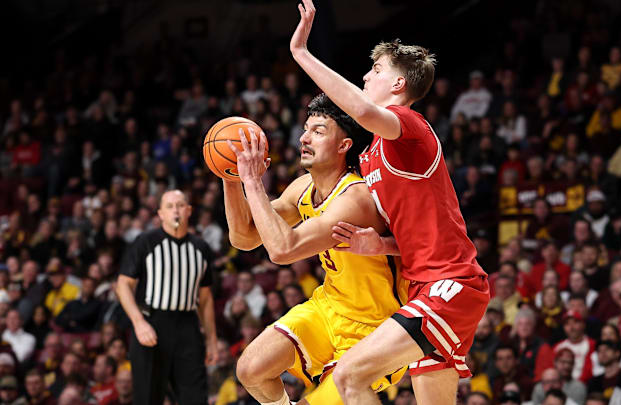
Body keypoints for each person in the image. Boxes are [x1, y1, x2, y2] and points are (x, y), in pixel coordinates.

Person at [288, 2, 489, 404]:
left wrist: (302, 54)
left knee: (349, 378)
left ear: (398, 84)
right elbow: (413, 232)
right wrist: (381, 245)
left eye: (376, 70)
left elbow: (362, 110)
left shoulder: (410, 129)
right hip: (425, 286)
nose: (365, 75)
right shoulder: (372, 154)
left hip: (448, 284)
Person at [225, 94, 406, 405]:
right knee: (250, 369)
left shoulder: (356, 199)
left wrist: (254, 183)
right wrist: (230, 175)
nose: (304, 138)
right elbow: (244, 237)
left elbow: (283, 249)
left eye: (319, 131)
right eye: (306, 129)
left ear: (343, 145)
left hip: (375, 329)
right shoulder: (302, 187)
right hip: (328, 306)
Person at [116, 189, 218, 405]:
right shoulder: (145, 242)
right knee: (147, 397)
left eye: (180, 205)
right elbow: (123, 285)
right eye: (169, 206)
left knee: (196, 397)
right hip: (152, 323)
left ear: (189, 211)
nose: (176, 211)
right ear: (160, 213)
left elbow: (206, 299)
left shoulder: (201, 248)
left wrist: (211, 339)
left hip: (187, 326)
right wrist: (138, 322)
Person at [586, 340, 621, 405]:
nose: (603, 353)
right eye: (599, 351)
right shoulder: (593, 382)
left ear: (617, 353)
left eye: (607, 349)